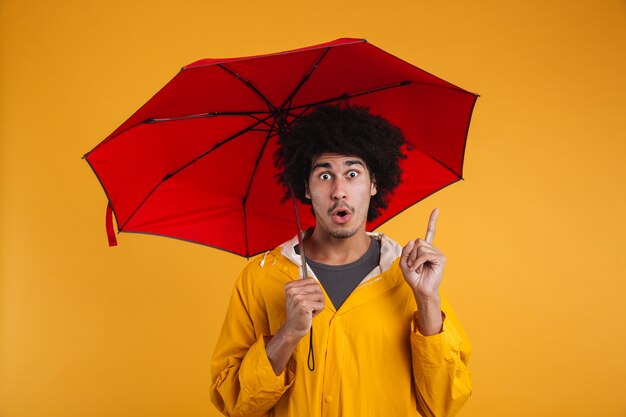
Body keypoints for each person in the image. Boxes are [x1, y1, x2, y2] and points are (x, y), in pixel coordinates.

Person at [210, 105, 472, 417]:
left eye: (352, 174)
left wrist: (427, 300)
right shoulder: (259, 279)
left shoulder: (409, 276)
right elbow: (234, 405)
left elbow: (444, 405)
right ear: (306, 188)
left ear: (373, 184)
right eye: (324, 175)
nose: (339, 191)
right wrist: (288, 333)